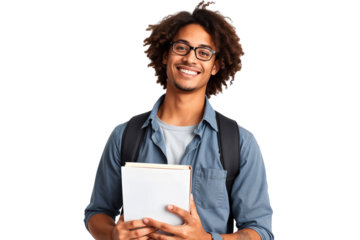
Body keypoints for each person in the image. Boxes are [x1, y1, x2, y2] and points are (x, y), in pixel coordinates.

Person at [83, 1, 274, 240]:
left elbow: (261, 231)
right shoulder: (124, 135)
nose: (190, 59)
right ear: (165, 55)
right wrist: (112, 234)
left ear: (215, 66)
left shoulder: (240, 142)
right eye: (182, 47)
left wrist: (206, 239)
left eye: (204, 52)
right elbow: (97, 212)